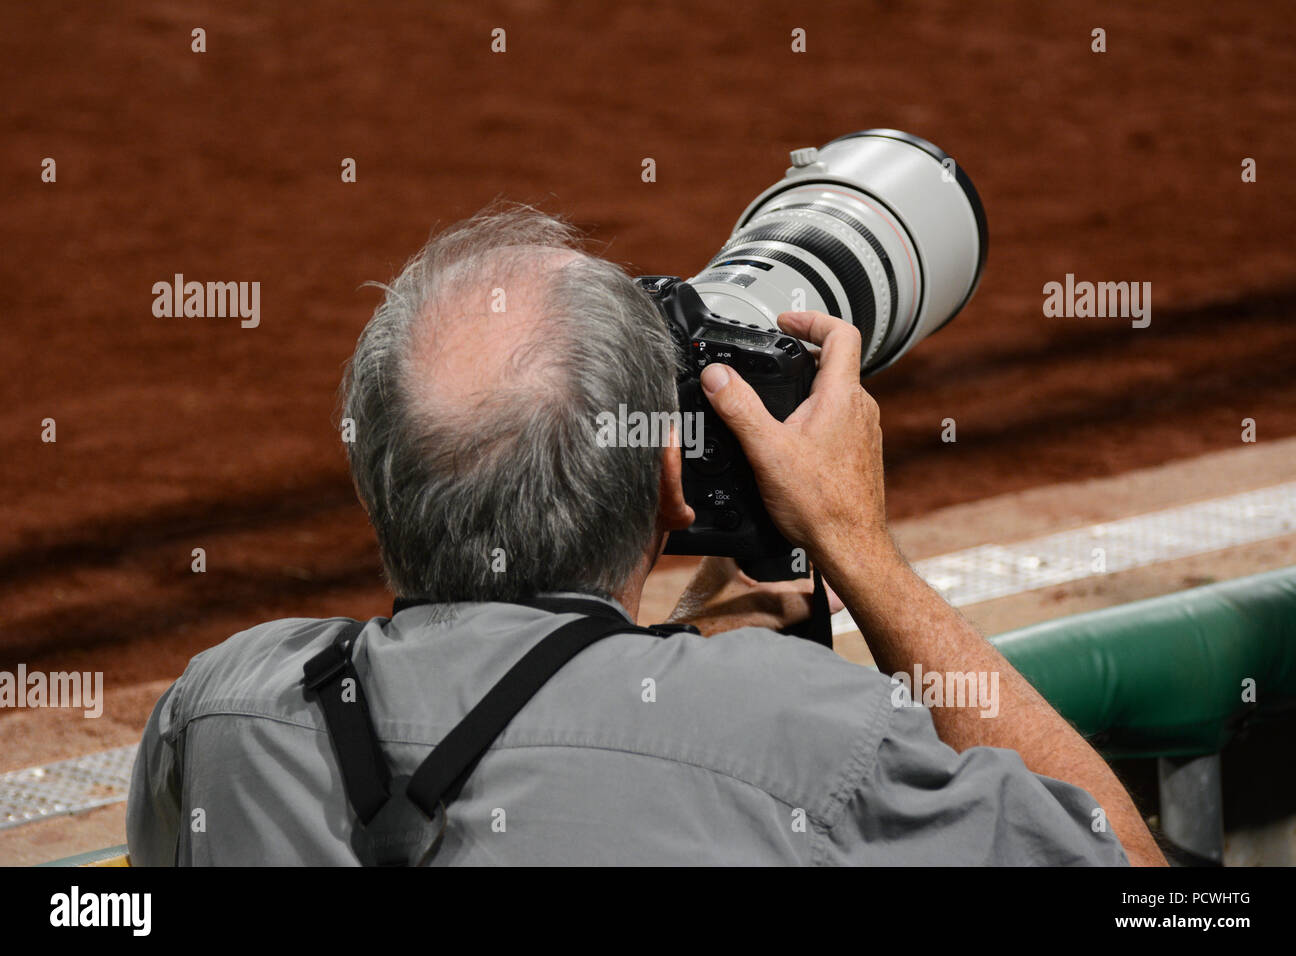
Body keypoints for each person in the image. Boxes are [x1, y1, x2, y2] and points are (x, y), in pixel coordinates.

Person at [127, 203, 1164, 866]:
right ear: (671, 472)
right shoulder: (804, 738)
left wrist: (689, 643)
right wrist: (855, 544)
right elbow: (1126, 870)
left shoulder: (220, 713)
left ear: (376, 475)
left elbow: (528, 737)